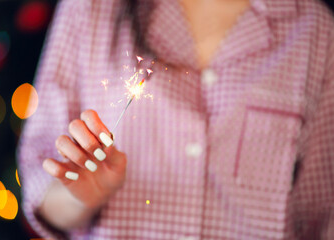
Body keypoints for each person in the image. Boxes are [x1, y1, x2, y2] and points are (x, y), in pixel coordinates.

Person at [18, 0, 334, 239]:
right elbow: (40, 190)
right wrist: (80, 197)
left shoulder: (315, 32)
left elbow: (320, 217)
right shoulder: (91, 9)